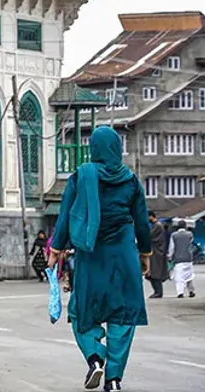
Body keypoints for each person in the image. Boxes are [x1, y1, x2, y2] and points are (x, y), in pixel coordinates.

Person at [48, 126, 151, 392]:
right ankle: (114, 380)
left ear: (92, 149)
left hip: (91, 255)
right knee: (123, 316)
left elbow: (66, 215)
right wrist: (145, 254)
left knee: (82, 312)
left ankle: (95, 359)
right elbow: (142, 223)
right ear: (117, 148)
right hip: (124, 256)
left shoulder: (82, 176)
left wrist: (56, 248)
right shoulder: (130, 180)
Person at [168, 220, 196, 299]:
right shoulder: (190, 234)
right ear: (185, 226)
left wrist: (169, 256)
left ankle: (180, 292)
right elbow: (190, 244)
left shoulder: (174, 235)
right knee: (189, 276)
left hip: (178, 258)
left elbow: (172, 247)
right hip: (188, 258)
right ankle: (191, 291)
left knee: (179, 277)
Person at [146, 211, 168, 299]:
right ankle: (157, 291)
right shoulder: (157, 225)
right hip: (155, 251)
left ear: (151, 216)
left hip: (157, 252)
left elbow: (149, 236)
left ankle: (158, 292)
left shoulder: (158, 226)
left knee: (155, 273)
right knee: (152, 273)